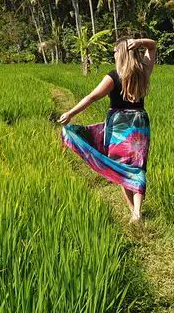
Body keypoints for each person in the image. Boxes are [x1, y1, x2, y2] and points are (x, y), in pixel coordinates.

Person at [59, 38, 157, 223]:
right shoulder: (143, 71)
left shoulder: (113, 76)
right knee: (137, 167)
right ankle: (137, 212)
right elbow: (152, 46)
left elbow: (92, 97)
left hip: (119, 126)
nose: (113, 55)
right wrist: (139, 42)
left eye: (114, 52)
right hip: (139, 124)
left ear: (121, 53)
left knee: (121, 167)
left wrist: (71, 113)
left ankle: (134, 213)